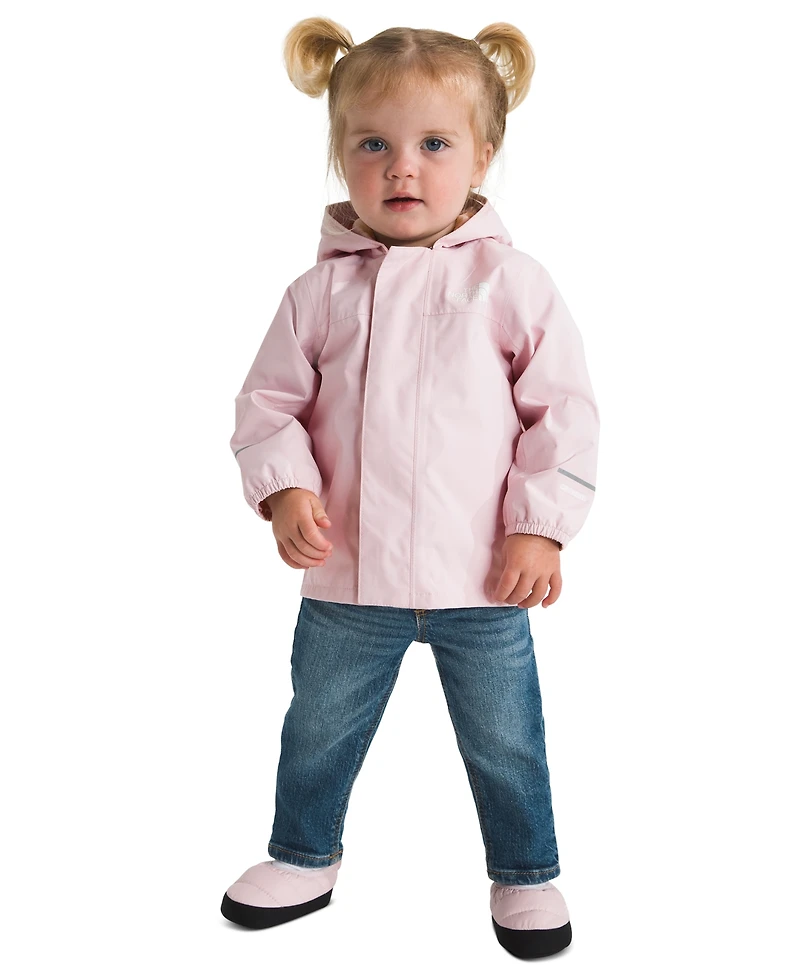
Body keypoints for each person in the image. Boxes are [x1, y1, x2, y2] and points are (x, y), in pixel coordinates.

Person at [221, 17, 599, 960]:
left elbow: (563, 412)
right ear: (339, 155)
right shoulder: (318, 295)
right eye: (372, 145)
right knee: (317, 727)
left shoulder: (512, 285)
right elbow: (267, 406)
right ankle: (304, 855)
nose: (402, 168)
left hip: (483, 578)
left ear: (482, 155)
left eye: (434, 144)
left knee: (506, 739)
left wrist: (541, 526)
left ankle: (527, 871)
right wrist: (285, 491)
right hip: (349, 576)